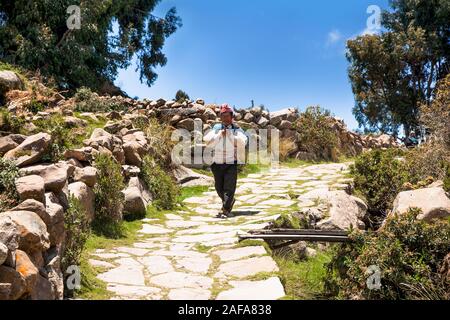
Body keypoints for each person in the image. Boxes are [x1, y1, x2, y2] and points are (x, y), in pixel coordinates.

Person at [204, 104, 248, 218]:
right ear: (220, 117)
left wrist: (231, 136)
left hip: (230, 163)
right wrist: (220, 134)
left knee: (229, 187)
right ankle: (229, 201)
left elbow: (243, 142)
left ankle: (226, 209)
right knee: (219, 188)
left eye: (227, 115)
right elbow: (208, 142)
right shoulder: (216, 128)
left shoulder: (237, 129)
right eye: (223, 115)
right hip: (216, 163)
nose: (225, 118)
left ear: (231, 116)